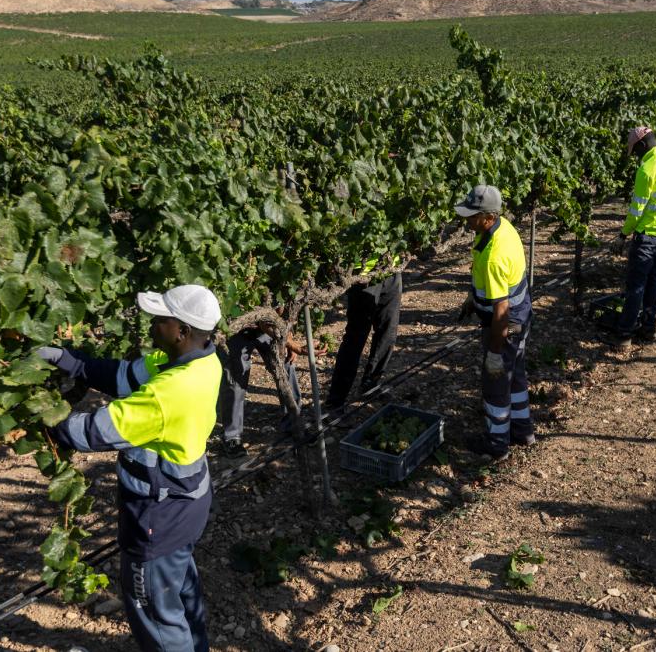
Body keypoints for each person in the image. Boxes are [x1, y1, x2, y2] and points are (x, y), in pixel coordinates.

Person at [38, 284, 222, 652]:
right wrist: (69, 360)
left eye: (160, 320)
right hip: (186, 505)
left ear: (182, 331)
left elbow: (94, 431)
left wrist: (41, 412)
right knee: (181, 596)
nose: (152, 325)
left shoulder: (171, 392)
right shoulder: (202, 360)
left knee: (155, 613)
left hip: (158, 517)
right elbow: (123, 375)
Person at [454, 184, 534, 461]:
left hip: (506, 324)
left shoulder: (494, 255)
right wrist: (472, 297)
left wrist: (495, 353)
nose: (467, 221)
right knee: (516, 376)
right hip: (521, 314)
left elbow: (500, 310)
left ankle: (497, 443)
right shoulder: (501, 227)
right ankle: (523, 431)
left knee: (496, 383)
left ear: (487, 217)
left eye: (471, 216)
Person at [605, 127, 656, 348]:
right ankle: (649, 328)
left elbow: (636, 211)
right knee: (653, 282)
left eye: (635, 152)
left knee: (635, 287)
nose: (636, 157)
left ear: (642, 145)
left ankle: (624, 335)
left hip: (648, 236)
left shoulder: (648, 169)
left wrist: (623, 235)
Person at [219, 324, 321, 458]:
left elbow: (285, 313)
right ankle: (231, 436)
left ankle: (294, 421)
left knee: (285, 363)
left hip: (269, 326)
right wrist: (293, 345)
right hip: (239, 324)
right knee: (235, 376)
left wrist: (288, 339)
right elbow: (265, 322)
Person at [323, 261, 402, 412]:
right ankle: (335, 401)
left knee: (388, 332)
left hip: (392, 269)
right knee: (356, 338)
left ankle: (370, 384)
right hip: (364, 274)